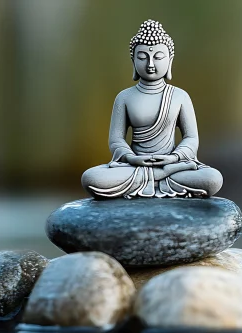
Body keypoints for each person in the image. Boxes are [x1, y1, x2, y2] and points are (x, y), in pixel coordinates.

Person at [82, 20, 223, 199]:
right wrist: (132, 158)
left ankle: (159, 175)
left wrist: (174, 158)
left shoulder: (180, 96)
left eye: (158, 57)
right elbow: (116, 140)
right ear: (133, 61)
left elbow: (191, 138)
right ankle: (160, 176)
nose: (150, 64)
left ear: (169, 60)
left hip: (171, 163)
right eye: (142, 57)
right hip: (136, 166)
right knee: (91, 178)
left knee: (213, 179)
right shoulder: (124, 97)